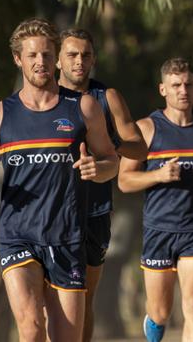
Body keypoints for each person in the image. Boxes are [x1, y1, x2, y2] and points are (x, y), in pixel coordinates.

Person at [0, 18, 118, 342]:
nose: (41, 62)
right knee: (31, 328)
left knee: (67, 336)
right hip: (18, 236)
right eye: (33, 55)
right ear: (18, 59)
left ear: (56, 58)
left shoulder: (83, 106)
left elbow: (112, 161)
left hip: (67, 236)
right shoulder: (0, 114)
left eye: (47, 55)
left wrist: (99, 168)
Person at [118, 57, 193, 342]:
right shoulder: (146, 129)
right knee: (160, 312)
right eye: (176, 85)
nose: (183, 90)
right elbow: (124, 181)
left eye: (188, 84)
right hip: (159, 230)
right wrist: (157, 175)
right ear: (162, 89)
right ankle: (153, 327)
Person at [57, 27, 147, 342]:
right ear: (58, 59)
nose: (79, 61)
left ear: (94, 58)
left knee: (83, 297)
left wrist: (108, 145)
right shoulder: (42, 98)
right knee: (47, 300)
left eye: (85, 55)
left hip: (93, 208)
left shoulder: (107, 97)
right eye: (71, 54)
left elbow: (139, 147)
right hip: (50, 211)